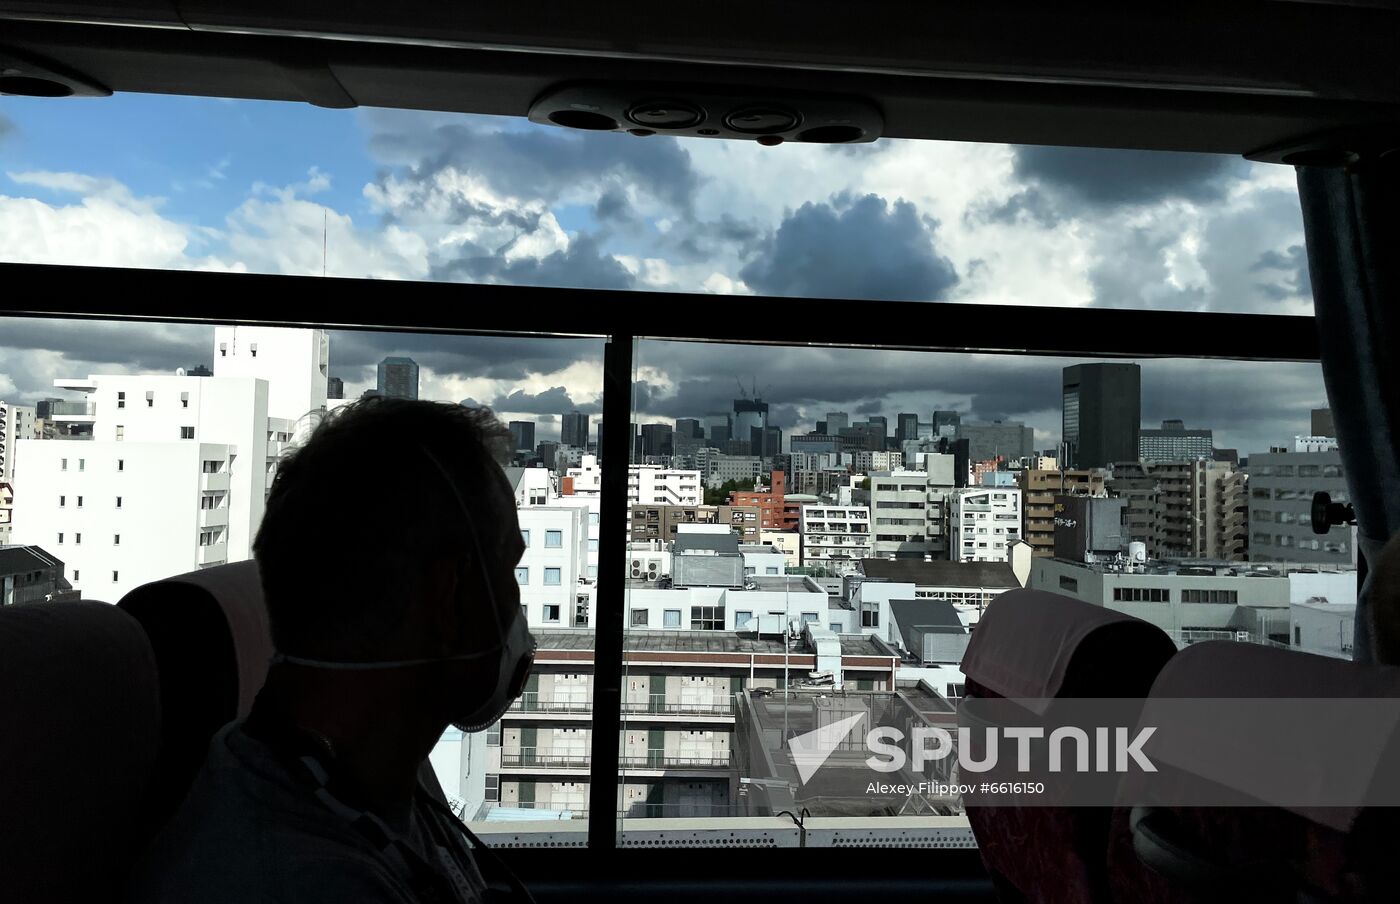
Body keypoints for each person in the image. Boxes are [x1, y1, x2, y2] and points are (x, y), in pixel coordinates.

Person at [129, 397, 536, 903]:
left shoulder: (372, 776)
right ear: (448, 596)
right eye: (507, 569)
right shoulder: (305, 881)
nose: (517, 609)